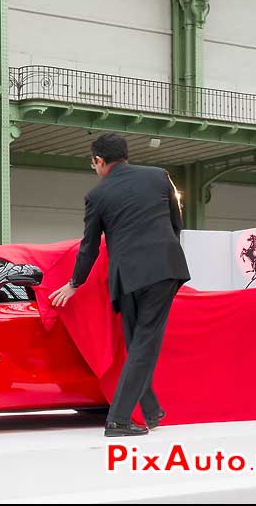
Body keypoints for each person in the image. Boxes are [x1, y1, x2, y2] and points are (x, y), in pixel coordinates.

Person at [48, 133, 190, 438]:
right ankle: (120, 419)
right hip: (162, 270)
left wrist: (74, 283)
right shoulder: (158, 177)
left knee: (136, 343)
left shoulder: (97, 196)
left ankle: (145, 411)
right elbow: (176, 223)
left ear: (100, 161)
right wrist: (165, 254)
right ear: (125, 155)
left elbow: (89, 247)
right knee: (144, 343)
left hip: (126, 278)